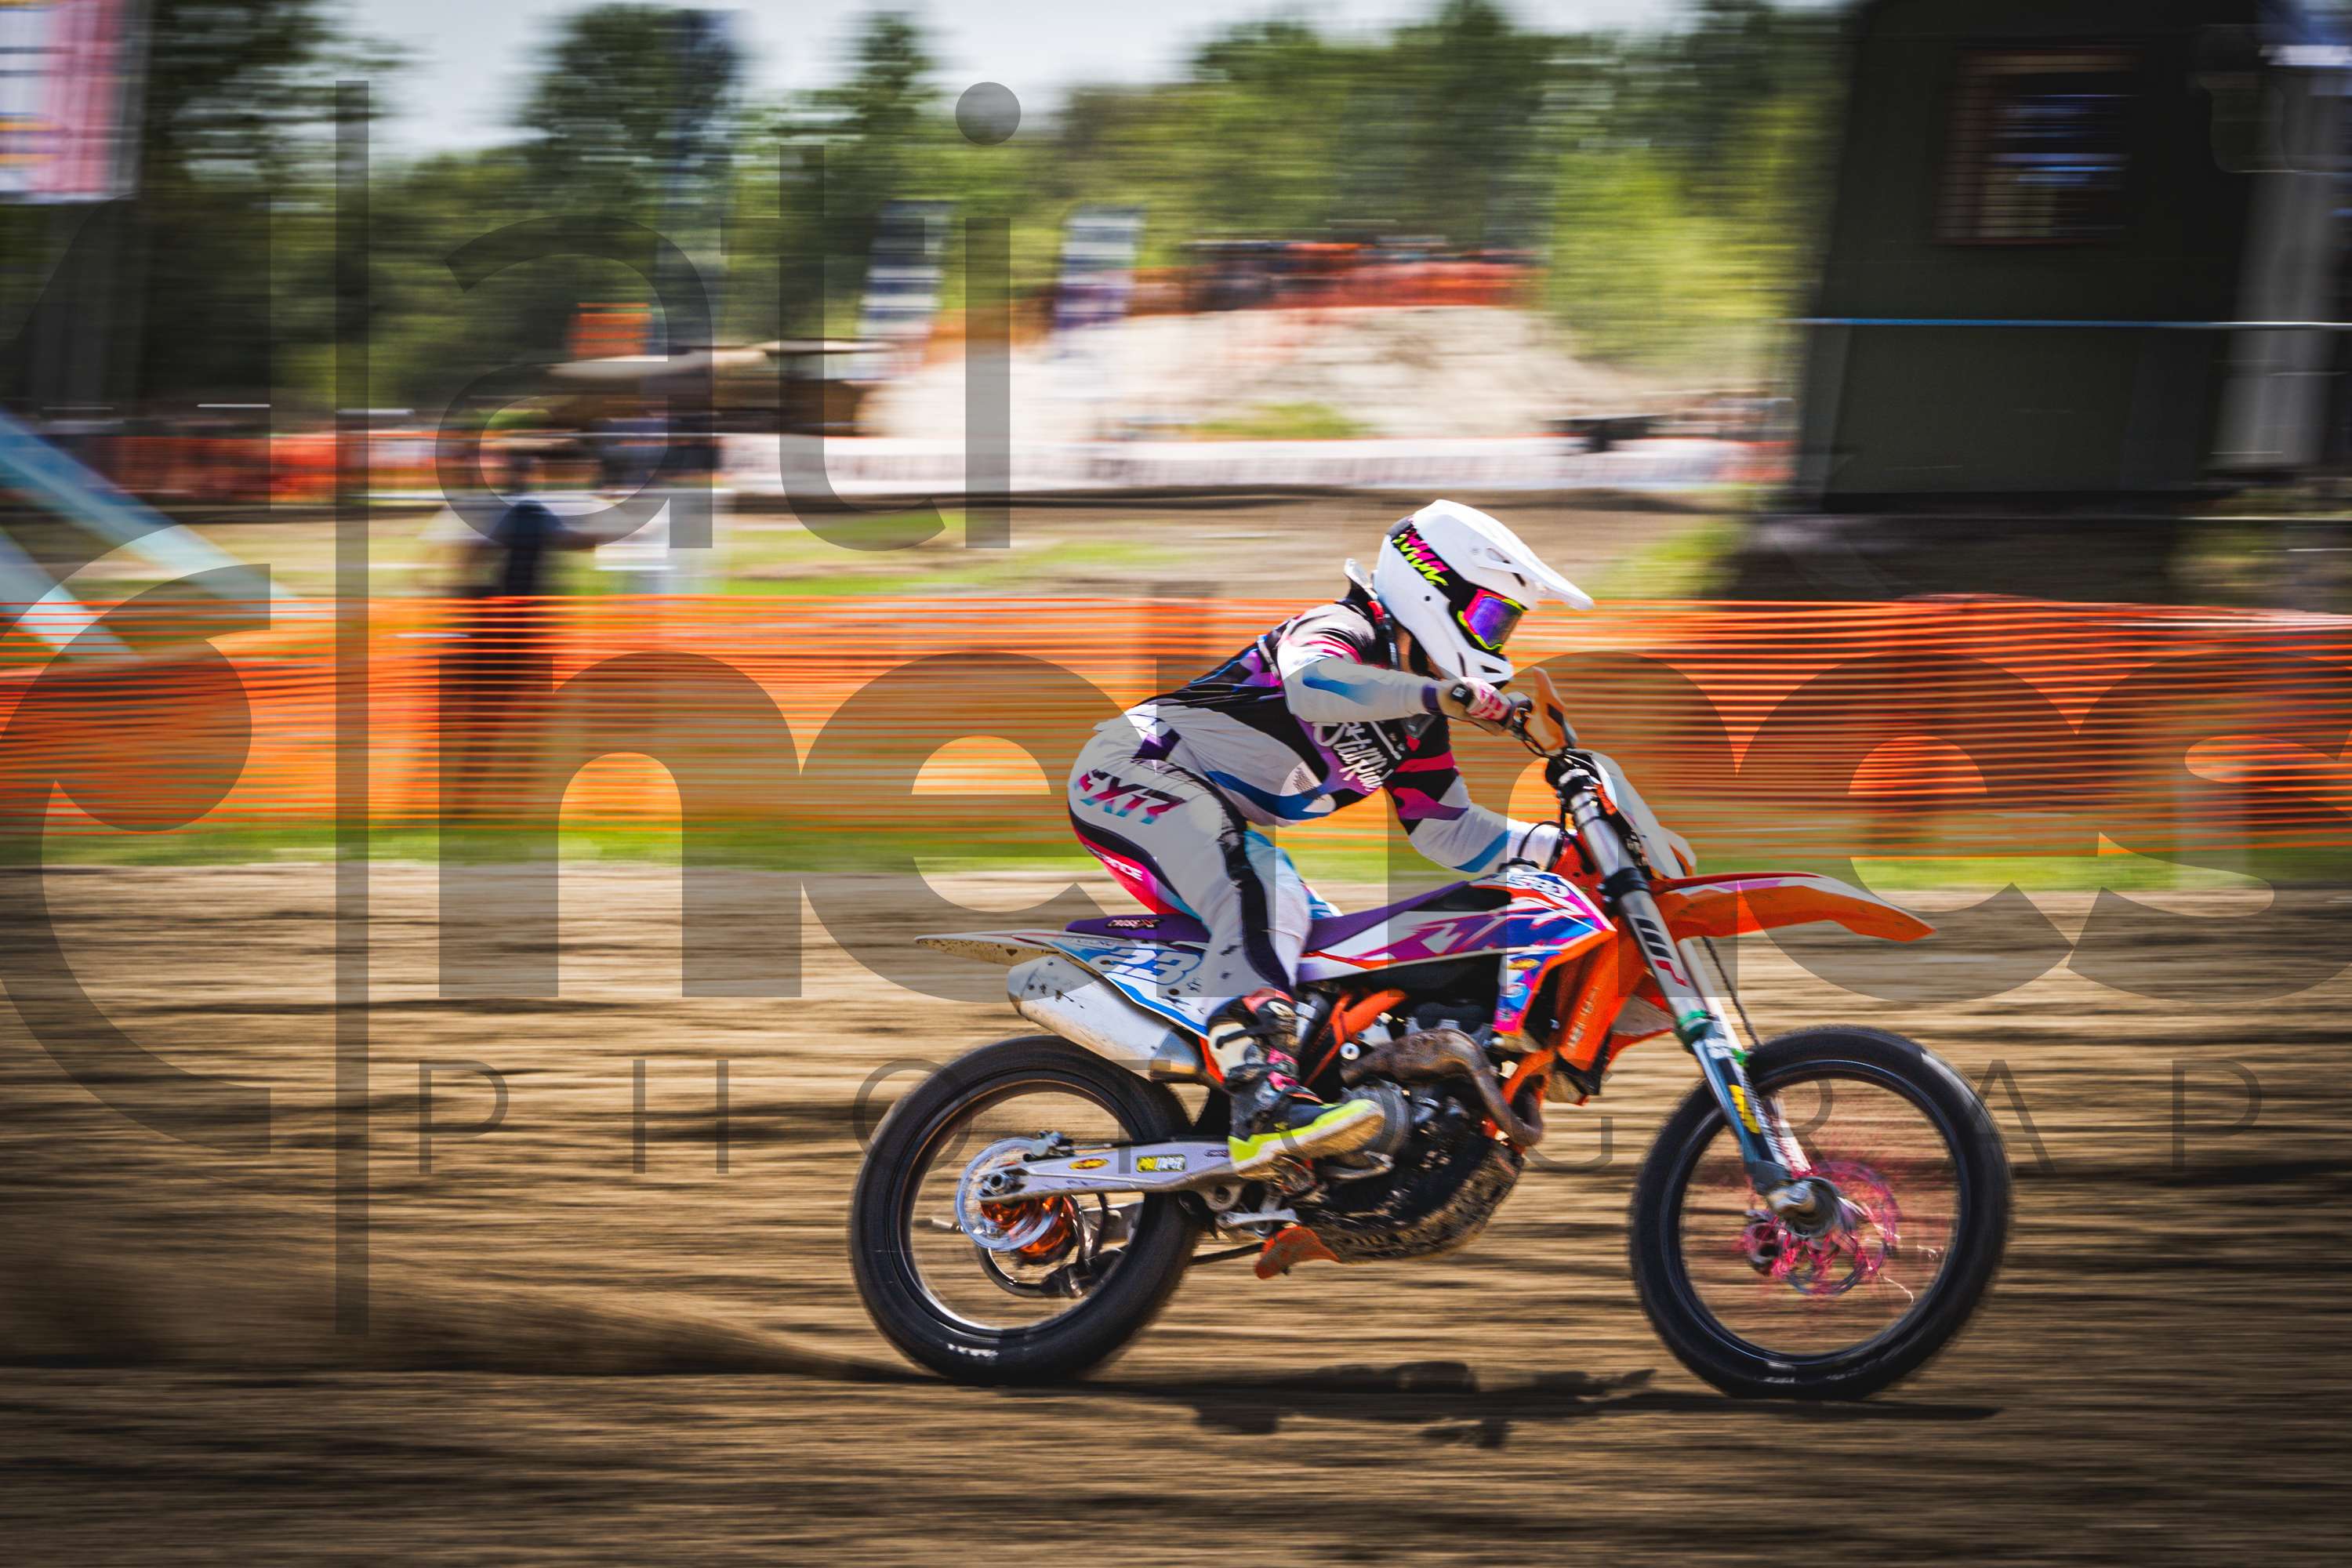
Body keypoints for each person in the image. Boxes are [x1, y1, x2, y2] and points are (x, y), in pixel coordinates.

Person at [1066, 499, 1592, 1175]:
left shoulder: (1414, 721)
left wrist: (1558, 849)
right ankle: (1261, 1097)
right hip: (1133, 768)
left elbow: (1446, 829)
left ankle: (1301, 1130)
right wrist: (1441, 696)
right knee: (1266, 894)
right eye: (1491, 617)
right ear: (1431, 585)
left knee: (1334, 959)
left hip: (1205, 811)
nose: (1496, 641)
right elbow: (1313, 685)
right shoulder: (1343, 629)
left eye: (1506, 625)